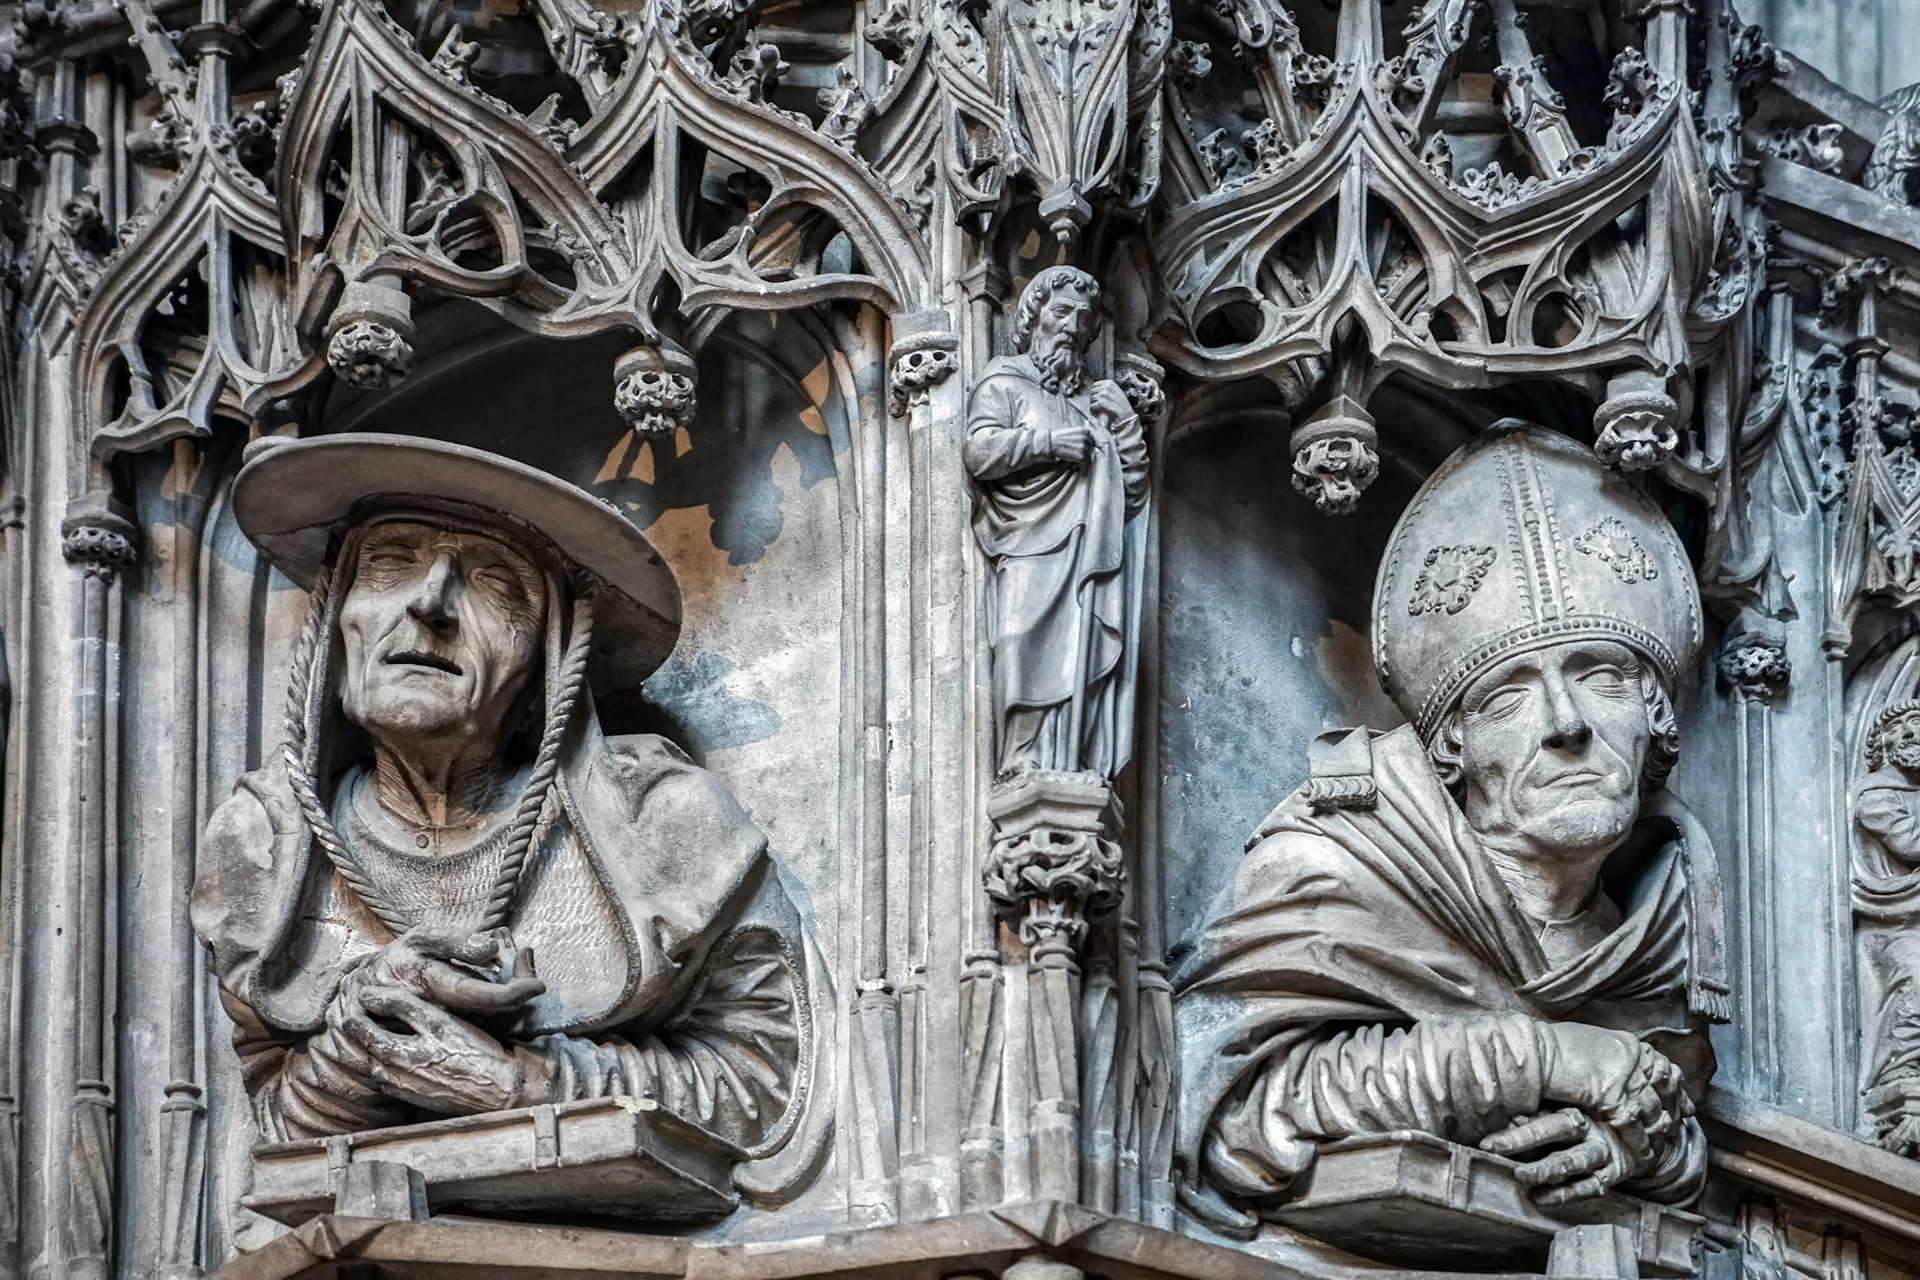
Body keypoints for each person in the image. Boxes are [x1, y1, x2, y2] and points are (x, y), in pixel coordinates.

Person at [1173, 421, 1729, 1236]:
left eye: (1602, 677)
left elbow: (1674, 1124)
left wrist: (1635, 1146)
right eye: (1508, 700)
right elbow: (1233, 1114)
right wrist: (1544, 1060)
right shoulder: (1334, 864)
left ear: (1654, 721)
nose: (1566, 724)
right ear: (1452, 749)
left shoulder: (1660, 923)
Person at [192, 434, 813, 1155]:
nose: (429, 604)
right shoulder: (265, 852)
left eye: (495, 585)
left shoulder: (665, 825)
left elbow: (763, 1081)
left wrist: (532, 1086)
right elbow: (271, 1124)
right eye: (391, 565)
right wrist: (358, 1044)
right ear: (334, 631)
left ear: (547, 668)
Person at [965, 266, 1149, 780]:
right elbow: (979, 452)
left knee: (1081, 652)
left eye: (1084, 317)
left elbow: (1131, 493)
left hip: (1088, 552)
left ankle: (1075, 763)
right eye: (1061, 311)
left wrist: (1127, 425)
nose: (1072, 326)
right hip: (1025, 542)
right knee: (1020, 640)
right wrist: (1049, 444)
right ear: (1034, 317)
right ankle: (1022, 763)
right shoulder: (1004, 381)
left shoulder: (1098, 402)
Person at [1853, 699, 1920, 1153]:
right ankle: (1900, 1079)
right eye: (1907, 729)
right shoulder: (1877, 794)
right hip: (1891, 927)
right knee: (1916, 979)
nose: (1916, 739)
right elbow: (1910, 842)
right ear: (1883, 740)